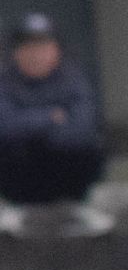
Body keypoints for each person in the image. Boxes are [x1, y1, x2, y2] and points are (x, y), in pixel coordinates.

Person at [0, 14, 111, 236]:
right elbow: (6, 128)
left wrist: (31, 126)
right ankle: (17, 210)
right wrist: (50, 117)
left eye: (42, 46)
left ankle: (73, 209)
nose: (35, 55)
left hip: (65, 176)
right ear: (16, 52)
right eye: (28, 47)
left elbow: (82, 131)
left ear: (56, 50)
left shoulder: (74, 82)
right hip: (19, 179)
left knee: (90, 147)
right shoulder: (5, 82)